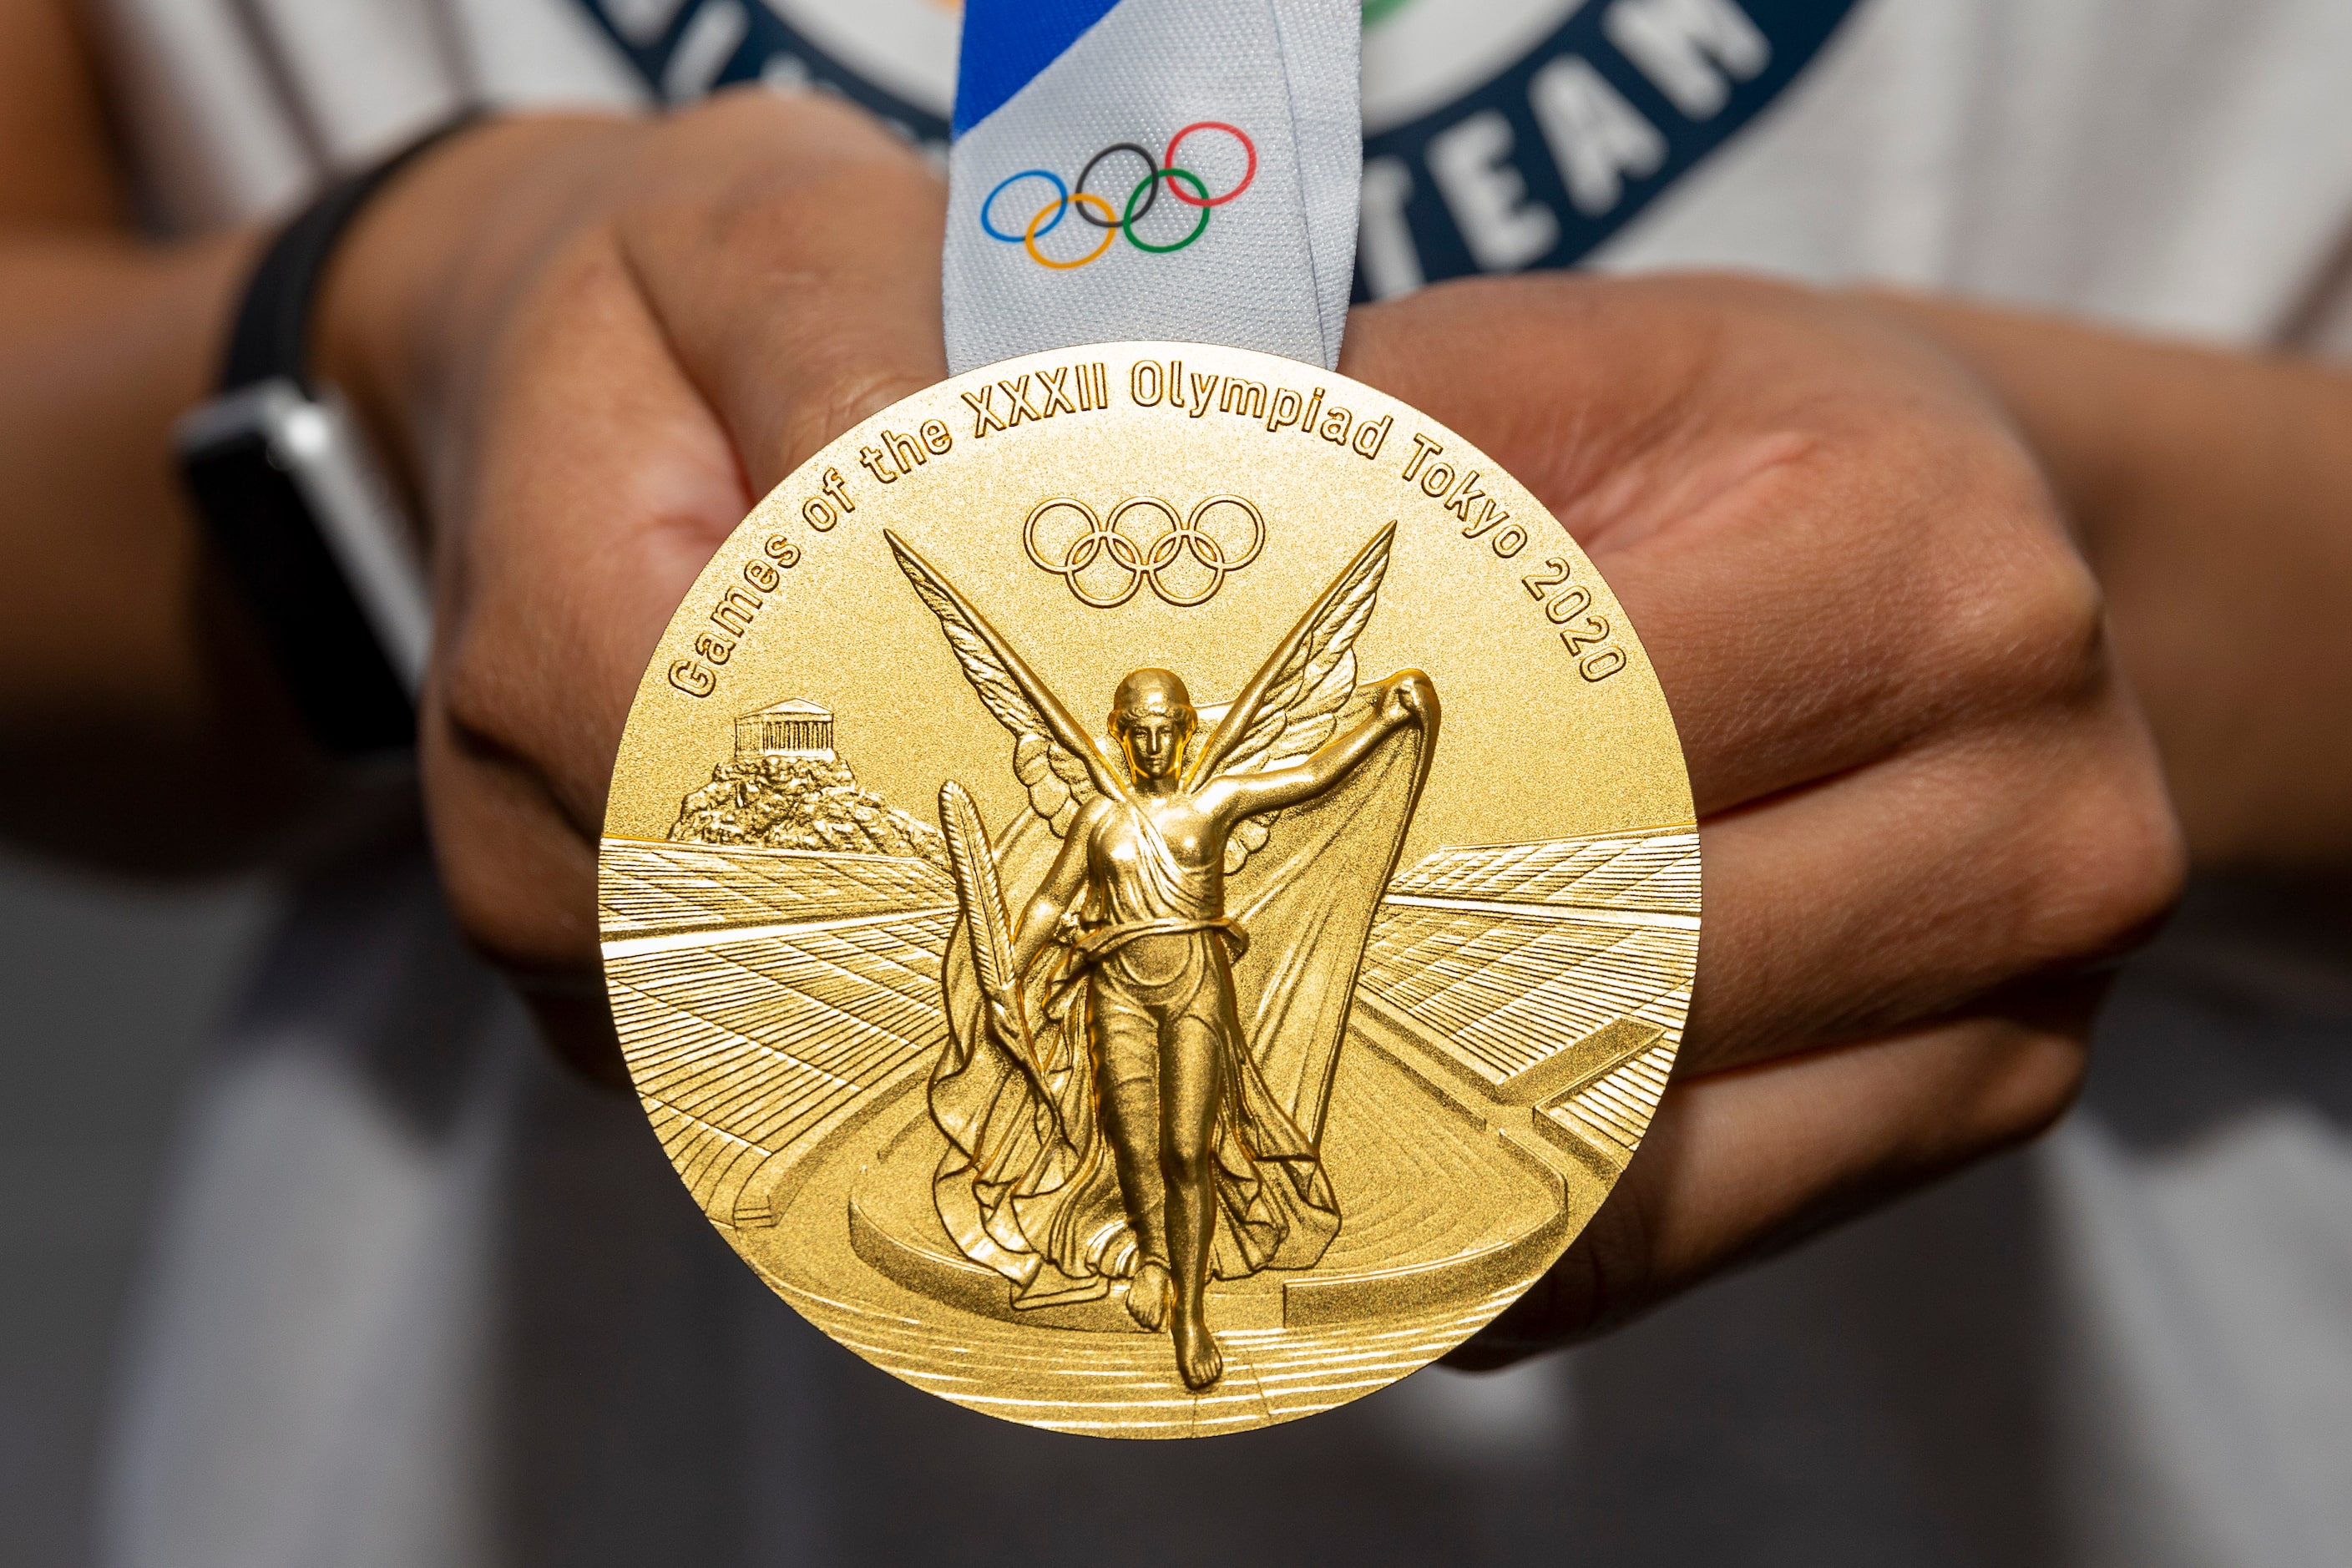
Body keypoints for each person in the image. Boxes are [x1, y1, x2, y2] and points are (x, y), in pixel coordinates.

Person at [3, 0, 2347, 1562]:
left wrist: (2137, 576)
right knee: (1143, 1134)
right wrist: (402, 328)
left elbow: (1321, 770)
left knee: (1194, 1124)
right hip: (512, 1461)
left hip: (2101, 1439)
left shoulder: (1192, 804)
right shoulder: (1106, 779)